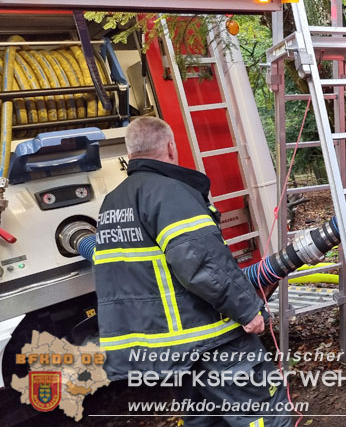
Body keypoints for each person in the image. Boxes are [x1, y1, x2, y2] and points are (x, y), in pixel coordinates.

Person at [93, 116, 292, 427]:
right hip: (210, 339)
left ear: (130, 153)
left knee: (203, 420)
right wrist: (248, 311)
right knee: (262, 413)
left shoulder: (112, 203)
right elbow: (200, 262)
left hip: (170, 352)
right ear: (171, 147)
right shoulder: (168, 193)